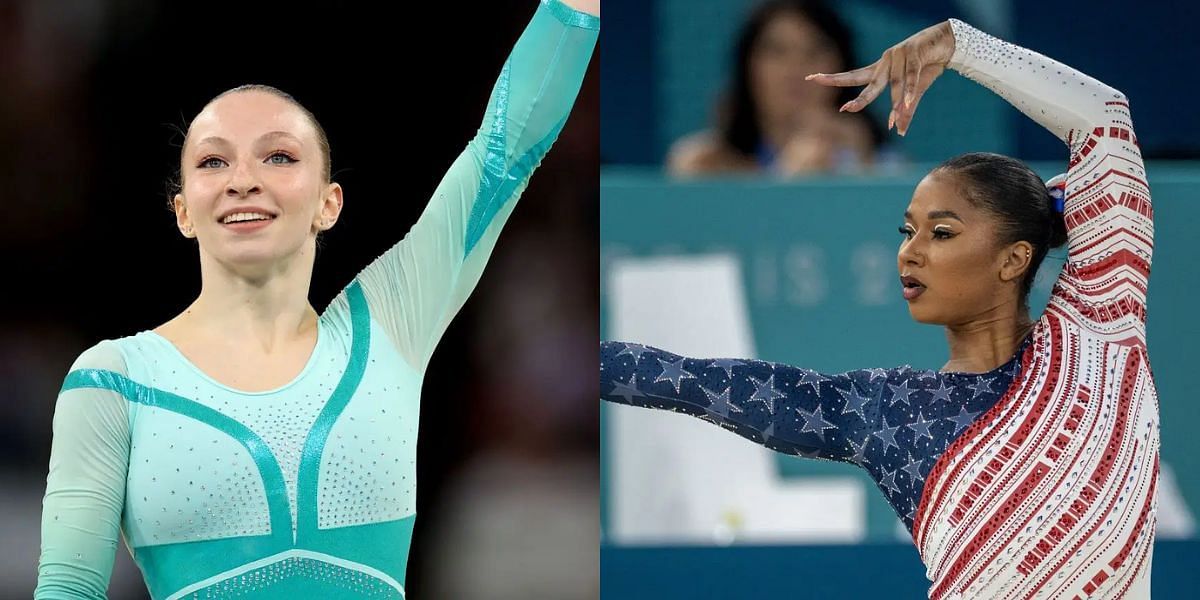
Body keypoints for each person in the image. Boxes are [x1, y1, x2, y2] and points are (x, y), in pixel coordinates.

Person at [35, 1, 598, 597]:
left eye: (278, 156)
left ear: (329, 202)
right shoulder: (116, 381)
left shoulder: (387, 327)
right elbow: (68, 589)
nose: (243, 178)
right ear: (183, 213)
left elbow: (506, 151)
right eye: (212, 161)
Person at [603, 17, 1157, 599]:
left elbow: (1103, 116)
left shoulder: (1098, 330)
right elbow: (687, 382)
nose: (909, 253)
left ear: (1015, 258)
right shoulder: (888, 410)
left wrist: (960, 46)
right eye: (906, 231)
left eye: (941, 233)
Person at [667, 0, 883, 176]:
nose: (796, 68)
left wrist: (863, 166)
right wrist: (789, 175)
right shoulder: (703, 164)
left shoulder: (873, 157)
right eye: (777, 52)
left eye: (815, 51)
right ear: (747, 66)